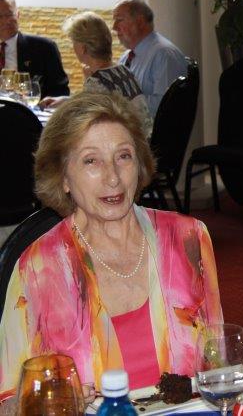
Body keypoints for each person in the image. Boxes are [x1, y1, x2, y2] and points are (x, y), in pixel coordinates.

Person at [0, 92, 223, 395]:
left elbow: (218, 363)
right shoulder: (38, 267)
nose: (113, 178)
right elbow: (10, 397)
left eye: (123, 156)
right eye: (91, 160)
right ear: (63, 177)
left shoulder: (189, 239)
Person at [39, 11, 153, 137]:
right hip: (143, 141)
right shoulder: (123, 70)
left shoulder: (97, 81)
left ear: (83, 48)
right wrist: (66, 101)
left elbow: (87, 125)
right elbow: (105, 101)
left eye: (74, 42)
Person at [112, 0, 187, 117]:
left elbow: (164, 107)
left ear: (140, 22)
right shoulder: (125, 57)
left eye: (119, 20)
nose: (114, 27)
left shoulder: (164, 55)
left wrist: (121, 105)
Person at [0, 0, 69, 97]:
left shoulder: (44, 47)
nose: (5, 21)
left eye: (9, 14)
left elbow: (60, 91)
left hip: (31, 107)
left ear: (17, 15)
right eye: (0, 16)